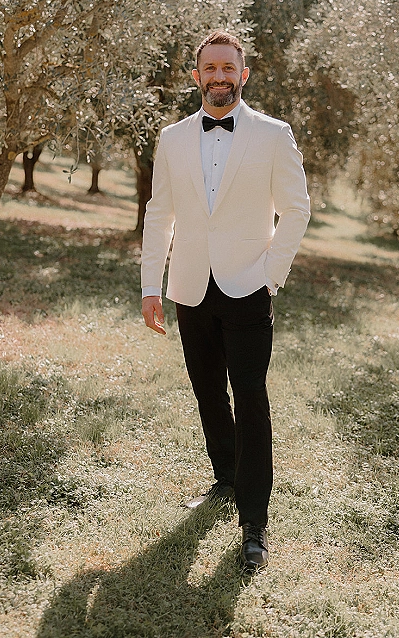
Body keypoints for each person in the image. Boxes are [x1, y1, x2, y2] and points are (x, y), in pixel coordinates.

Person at [141, 30, 310, 570]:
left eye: (227, 68)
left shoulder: (273, 135)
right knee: (208, 392)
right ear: (196, 76)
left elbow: (297, 209)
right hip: (191, 287)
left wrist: (269, 276)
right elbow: (158, 214)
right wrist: (151, 285)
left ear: (244, 74)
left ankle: (253, 526)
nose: (219, 76)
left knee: (250, 399)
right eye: (209, 68)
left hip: (248, 287)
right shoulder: (171, 139)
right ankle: (225, 478)